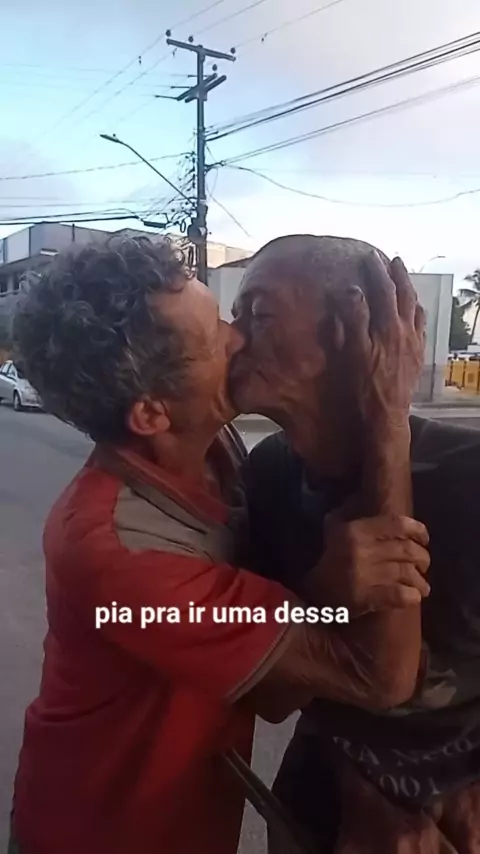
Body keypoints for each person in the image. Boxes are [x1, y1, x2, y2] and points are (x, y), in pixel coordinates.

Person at [9, 235, 429, 854]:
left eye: (231, 317)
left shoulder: (215, 449)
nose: (240, 339)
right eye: (216, 337)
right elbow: (375, 678)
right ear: (152, 414)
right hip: (101, 833)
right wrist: (389, 421)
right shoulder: (121, 549)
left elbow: (273, 688)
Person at [231, 233, 480, 852]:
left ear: (347, 329)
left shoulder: (468, 475)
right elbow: (271, 693)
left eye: (259, 314)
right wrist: (364, 787)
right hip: (323, 806)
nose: (233, 339)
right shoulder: (267, 474)